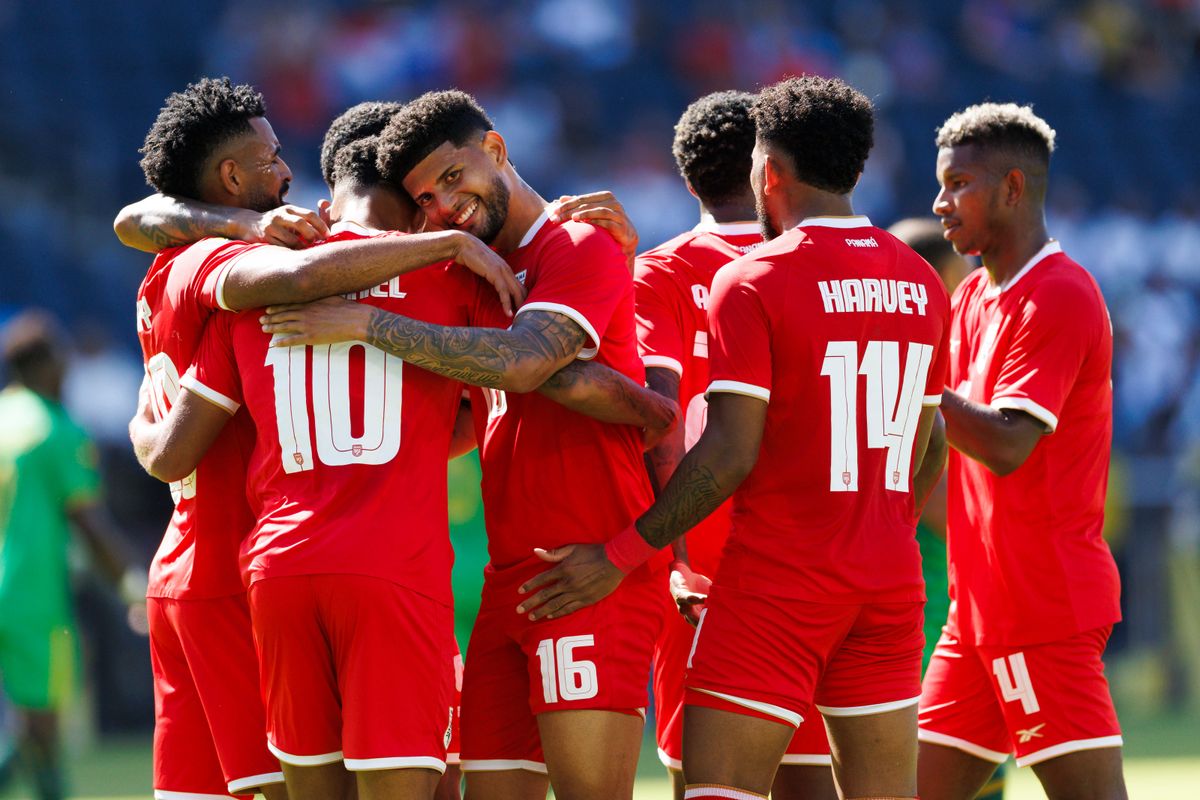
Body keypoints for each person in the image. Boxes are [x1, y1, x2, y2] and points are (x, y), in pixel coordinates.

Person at [130, 112, 677, 800]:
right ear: (409, 209)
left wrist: (139, 425)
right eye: (427, 199)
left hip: (271, 570)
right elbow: (528, 368)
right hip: (395, 572)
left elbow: (173, 441)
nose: (440, 210)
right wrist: (653, 405)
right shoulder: (450, 279)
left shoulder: (253, 285)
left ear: (330, 198)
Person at [515, 75, 951, 800]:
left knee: (716, 789)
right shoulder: (919, 278)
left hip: (773, 589)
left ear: (769, 172)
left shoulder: (754, 278)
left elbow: (725, 453)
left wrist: (624, 553)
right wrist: (884, 525)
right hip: (888, 584)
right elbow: (930, 441)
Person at [917, 102, 1126, 800]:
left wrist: (905, 372)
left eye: (958, 184)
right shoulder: (975, 293)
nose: (940, 203)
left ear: (1012, 187)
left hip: (1041, 610)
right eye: (940, 185)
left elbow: (1007, 443)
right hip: (976, 611)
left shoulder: (1059, 293)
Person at [632, 90, 834, 800]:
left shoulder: (660, 273)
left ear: (687, 180)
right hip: (818, 570)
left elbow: (660, 421)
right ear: (769, 167)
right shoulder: (818, 263)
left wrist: (675, 557)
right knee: (815, 778)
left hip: (705, 577)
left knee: (711, 784)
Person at [0, 311, 144, 800]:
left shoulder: (4, 418)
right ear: (47, 365)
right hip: (31, 594)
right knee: (44, 731)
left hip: (9, 585)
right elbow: (89, 524)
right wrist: (133, 586)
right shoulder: (55, 429)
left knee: (24, 726)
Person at [889, 217, 1008, 800]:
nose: (968, 297)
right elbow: (941, 509)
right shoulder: (917, 375)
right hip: (930, 618)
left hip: (948, 612)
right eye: (958, 283)